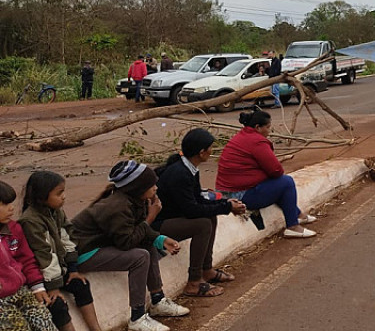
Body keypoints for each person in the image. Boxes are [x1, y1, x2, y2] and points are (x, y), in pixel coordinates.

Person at [72, 161, 187, 331]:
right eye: (151, 185)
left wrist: (160, 239)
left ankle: (157, 299)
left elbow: (136, 230)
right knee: (139, 257)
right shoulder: (117, 206)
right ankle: (137, 317)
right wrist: (151, 218)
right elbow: (127, 242)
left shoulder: (135, 200)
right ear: (137, 188)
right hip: (85, 252)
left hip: (103, 244)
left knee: (147, 245)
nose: (156, 188)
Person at [153, 129, 247, 298]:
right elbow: (192, 210)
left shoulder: (189, 169)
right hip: (159, 224)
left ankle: (207, 270)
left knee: (210, 216)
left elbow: (198, 200)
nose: (212, 151)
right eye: (211, 148)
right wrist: (226, 208)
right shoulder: (179, 174)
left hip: (175, 216)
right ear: (201, 152)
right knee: (202, 225)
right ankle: (194, 282)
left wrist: (225, 204)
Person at [19, 171, 102, 331]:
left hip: (59, 270)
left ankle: (96, 328)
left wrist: (72, 269)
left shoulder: (56, 212)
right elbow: (44, 255)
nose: (63, 196)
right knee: (56, 304)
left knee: (81, 284)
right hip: (42, 278)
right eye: (59, 193)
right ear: (42, 197)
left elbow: (67, 238)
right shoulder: (30, 221)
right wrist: (53, 287)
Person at [216, 109, 317, 238]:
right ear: (258, 127)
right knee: (286, 182)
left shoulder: (242, 136)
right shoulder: (257, 141)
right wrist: (264, 174)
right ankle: (292, 226)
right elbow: (276, 170)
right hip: (239, 196)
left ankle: (298, 215)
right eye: (268, 127)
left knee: (277, 185)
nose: (269, 131)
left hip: (227, 192)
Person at [0, 180, 58, 331]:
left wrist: (37, 287)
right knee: (18, 327)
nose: (11, 208)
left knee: (44, 321)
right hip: (1, 301)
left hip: (20, 290)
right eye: (4, 204)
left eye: (11, 203)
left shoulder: (13, 229)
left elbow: (26, 259)